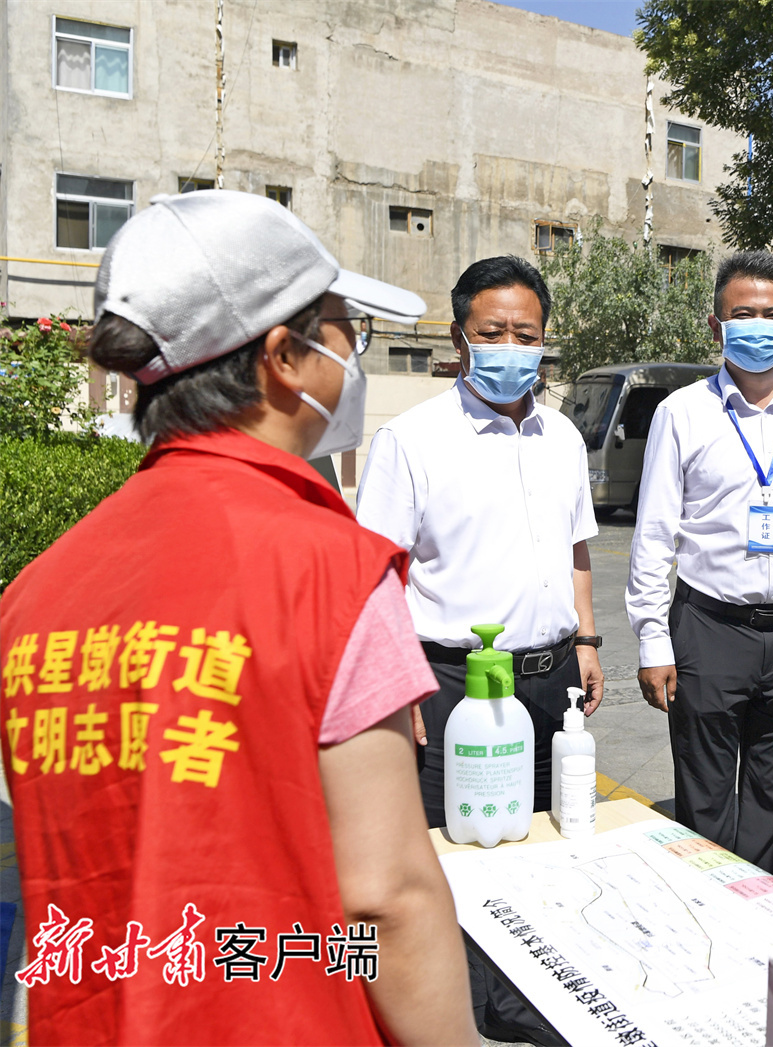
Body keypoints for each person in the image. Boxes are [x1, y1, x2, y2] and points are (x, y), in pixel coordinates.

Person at [0, 189, 475, 1045]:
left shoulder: (34, 592)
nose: (352, 356)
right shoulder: (331, 570)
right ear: (284, 356)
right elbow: (385, 897)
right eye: (347, 330)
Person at [356, 255, 602, 1042]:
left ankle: (529, 990)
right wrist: (396, 686)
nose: (510, 347)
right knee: (451, 844)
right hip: (449, 681)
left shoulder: (563, 436)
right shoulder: (413, 439)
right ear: (460, 337)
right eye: (492, 332)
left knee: (544, 834)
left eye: (526, 334)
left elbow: (577, 547)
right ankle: (456, 1006)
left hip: (549, 672)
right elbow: (374, 574)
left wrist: (587, 637)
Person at [627, 250, 773, 875]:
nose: (761, 326)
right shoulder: (682, 412)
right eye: (744, 314)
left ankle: (750, 903)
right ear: (716, 326)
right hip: (710, 628)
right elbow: (654, 534)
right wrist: (652, 639)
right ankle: (701, 902)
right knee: (704, 792)